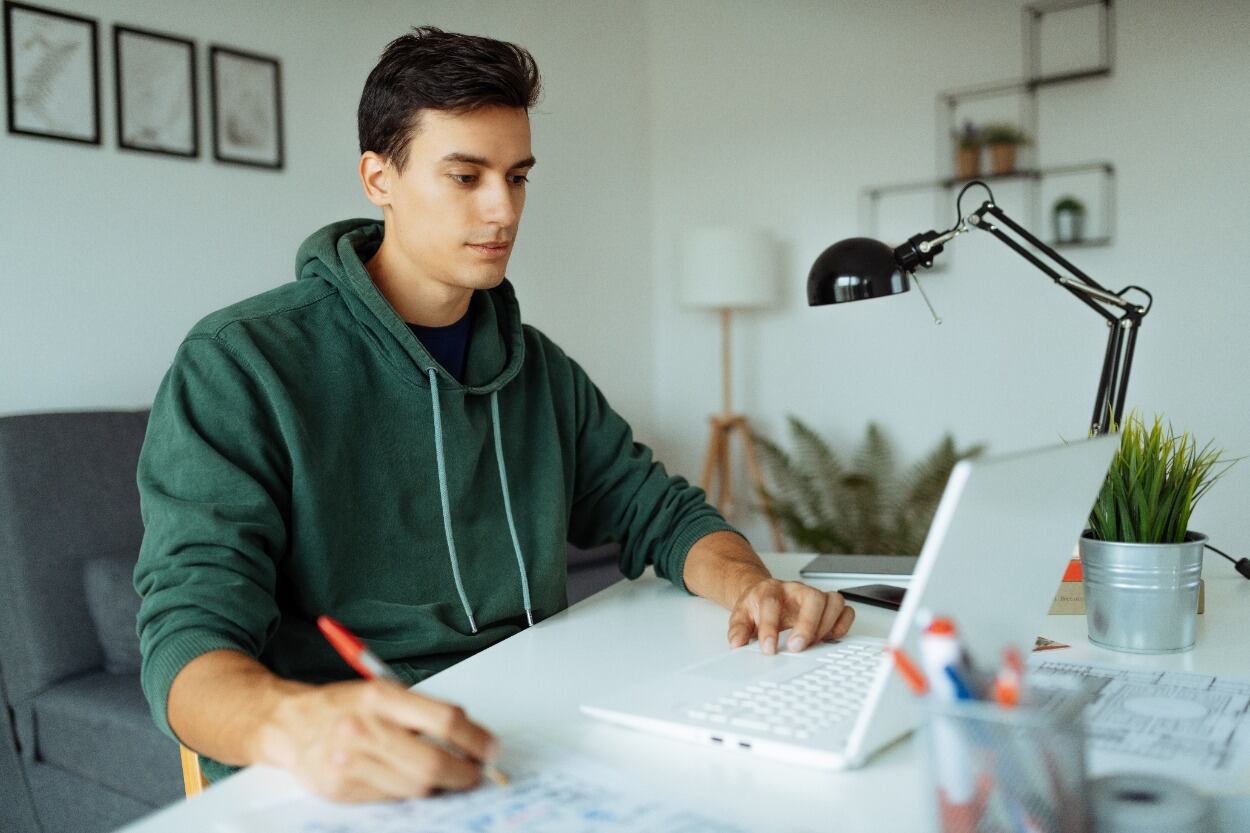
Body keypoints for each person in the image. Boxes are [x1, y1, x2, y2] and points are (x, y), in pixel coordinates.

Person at [134, 26, 854, 804]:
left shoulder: (538, 367)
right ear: (379, 177)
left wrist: (752, 584)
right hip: (354, 766)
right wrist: (295, 723)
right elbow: (187, 641)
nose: (502, 208)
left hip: (534, 732)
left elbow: (663, 512)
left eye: (517, 177)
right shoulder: (240, 363)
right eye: (465, 175)